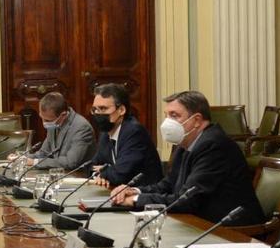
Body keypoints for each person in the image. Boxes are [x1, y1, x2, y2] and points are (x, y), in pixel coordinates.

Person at [110, 90, 263, 225]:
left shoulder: (214, 146)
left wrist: (136, 201)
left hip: (229, 229)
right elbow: (167, 185)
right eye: (166, 115)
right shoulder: (186, 142)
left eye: (174, 115)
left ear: (196, 120)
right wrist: (134, 191)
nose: (167, 122)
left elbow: (187, 199)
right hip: (199, 221)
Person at [86, 83, 163, 188]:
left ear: (121, 110)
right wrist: (103, 172)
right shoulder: (106, 131)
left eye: (103, 108)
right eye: (95, 109)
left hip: (143, 195)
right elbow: (92, 167)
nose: (98, 114)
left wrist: (104, 170)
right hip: (117, 192)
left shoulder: (134, 132)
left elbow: (120, 174)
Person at [24, 92, 96, 170]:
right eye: (41, 117)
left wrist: (35, 162)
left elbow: (70, 162)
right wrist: (23, 158)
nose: (44, 123)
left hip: (78, 176)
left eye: (47, 120)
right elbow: (44, 153)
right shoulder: (54, 124)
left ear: (63, 115)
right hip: (58, 175)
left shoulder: (82, 128)